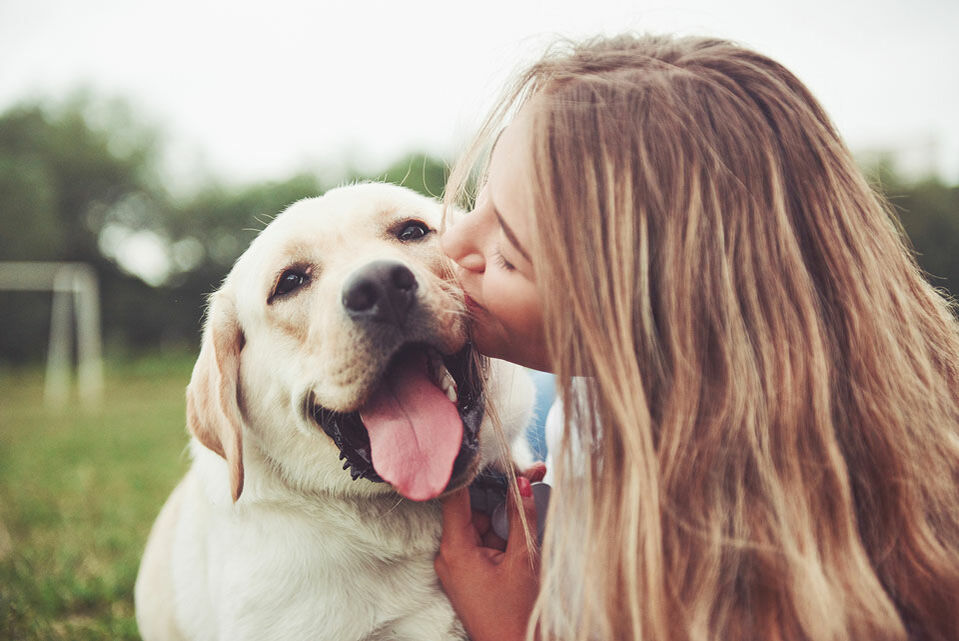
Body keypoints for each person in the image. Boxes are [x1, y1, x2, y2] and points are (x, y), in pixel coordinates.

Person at [434, 33, 959, 641]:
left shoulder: (752, 583)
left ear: (639, 316)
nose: (453, 246)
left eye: (508, 255)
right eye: (482, 198)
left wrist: (512, 632)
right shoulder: (597, 415)